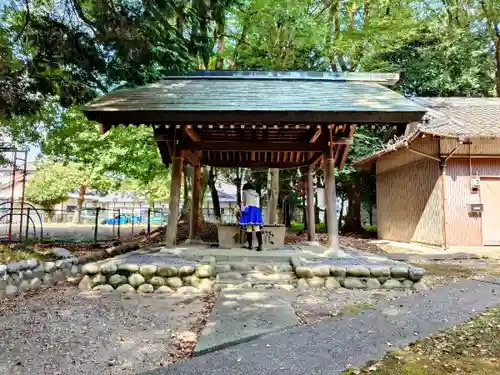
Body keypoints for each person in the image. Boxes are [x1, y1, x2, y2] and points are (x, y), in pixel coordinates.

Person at [239, 182, 263, 251]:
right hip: (256, 211)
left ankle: (250, 246)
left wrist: (242, 209)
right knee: (256, 228)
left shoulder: (245, 192)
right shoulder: (257, 194)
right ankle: (260, 245)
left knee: (248, 228)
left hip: (248, 210)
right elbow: (258, 204)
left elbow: (244, 202)